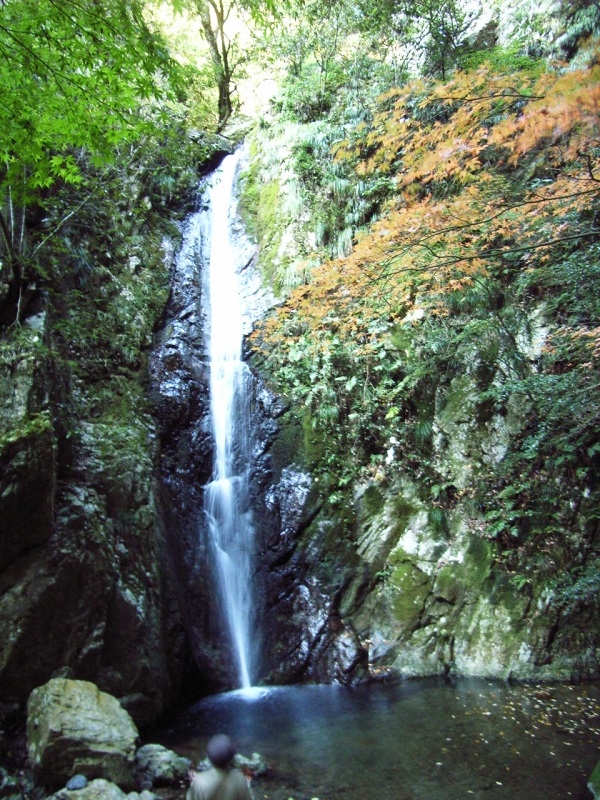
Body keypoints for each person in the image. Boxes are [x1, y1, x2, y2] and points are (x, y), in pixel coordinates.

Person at [186, 734, 253, 800]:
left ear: (210, 758)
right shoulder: (239, 778)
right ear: (231, 757)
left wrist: (192, 784)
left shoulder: (199, 781)